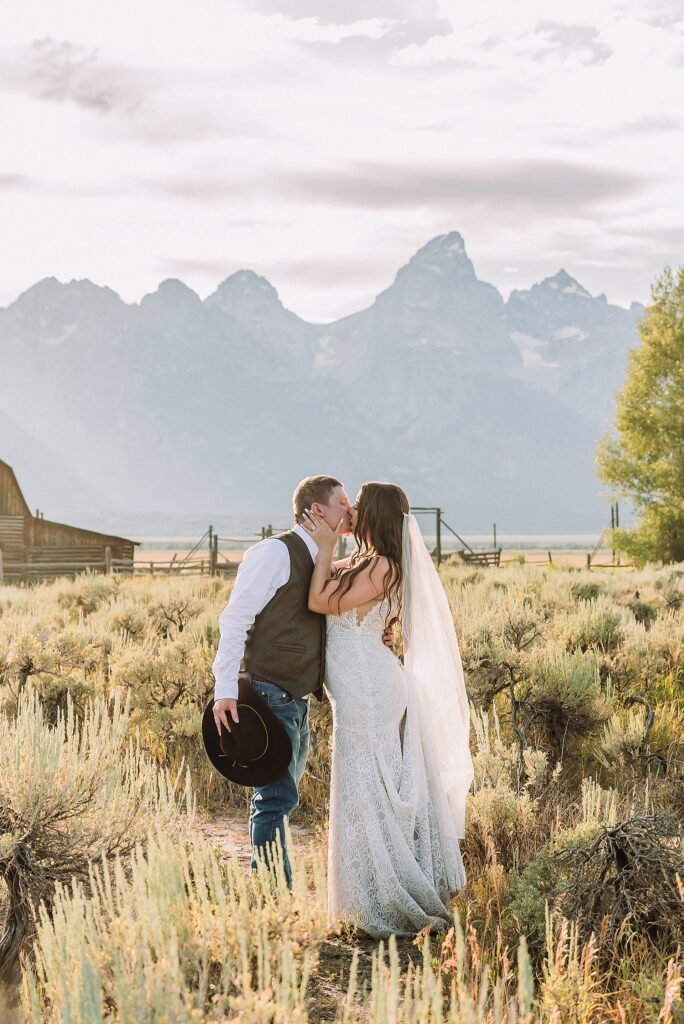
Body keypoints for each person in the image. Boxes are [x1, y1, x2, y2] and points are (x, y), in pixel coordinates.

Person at [302, 481, 474, 937]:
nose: (352, 509)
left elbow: (319, 600)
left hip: (369, 687)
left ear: (375, 513)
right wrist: (326, 543)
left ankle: (383, 896)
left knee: (367, 789)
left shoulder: (382, 565)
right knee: (364, 787)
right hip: (362, 683)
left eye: (358, 504)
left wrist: (325, 546)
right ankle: (367, 891)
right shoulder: (366, 560)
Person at [212, 475, 395, 887]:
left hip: (297, 698)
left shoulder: (328, 558)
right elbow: (235, 620)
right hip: (270, 692)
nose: (350, 511)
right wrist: (224, 688)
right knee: (274, 798)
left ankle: (272, 891)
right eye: (343, 503)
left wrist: (386, 629)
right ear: (317, 511)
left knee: (283, 797)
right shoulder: (274, 553)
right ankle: (274, 897)